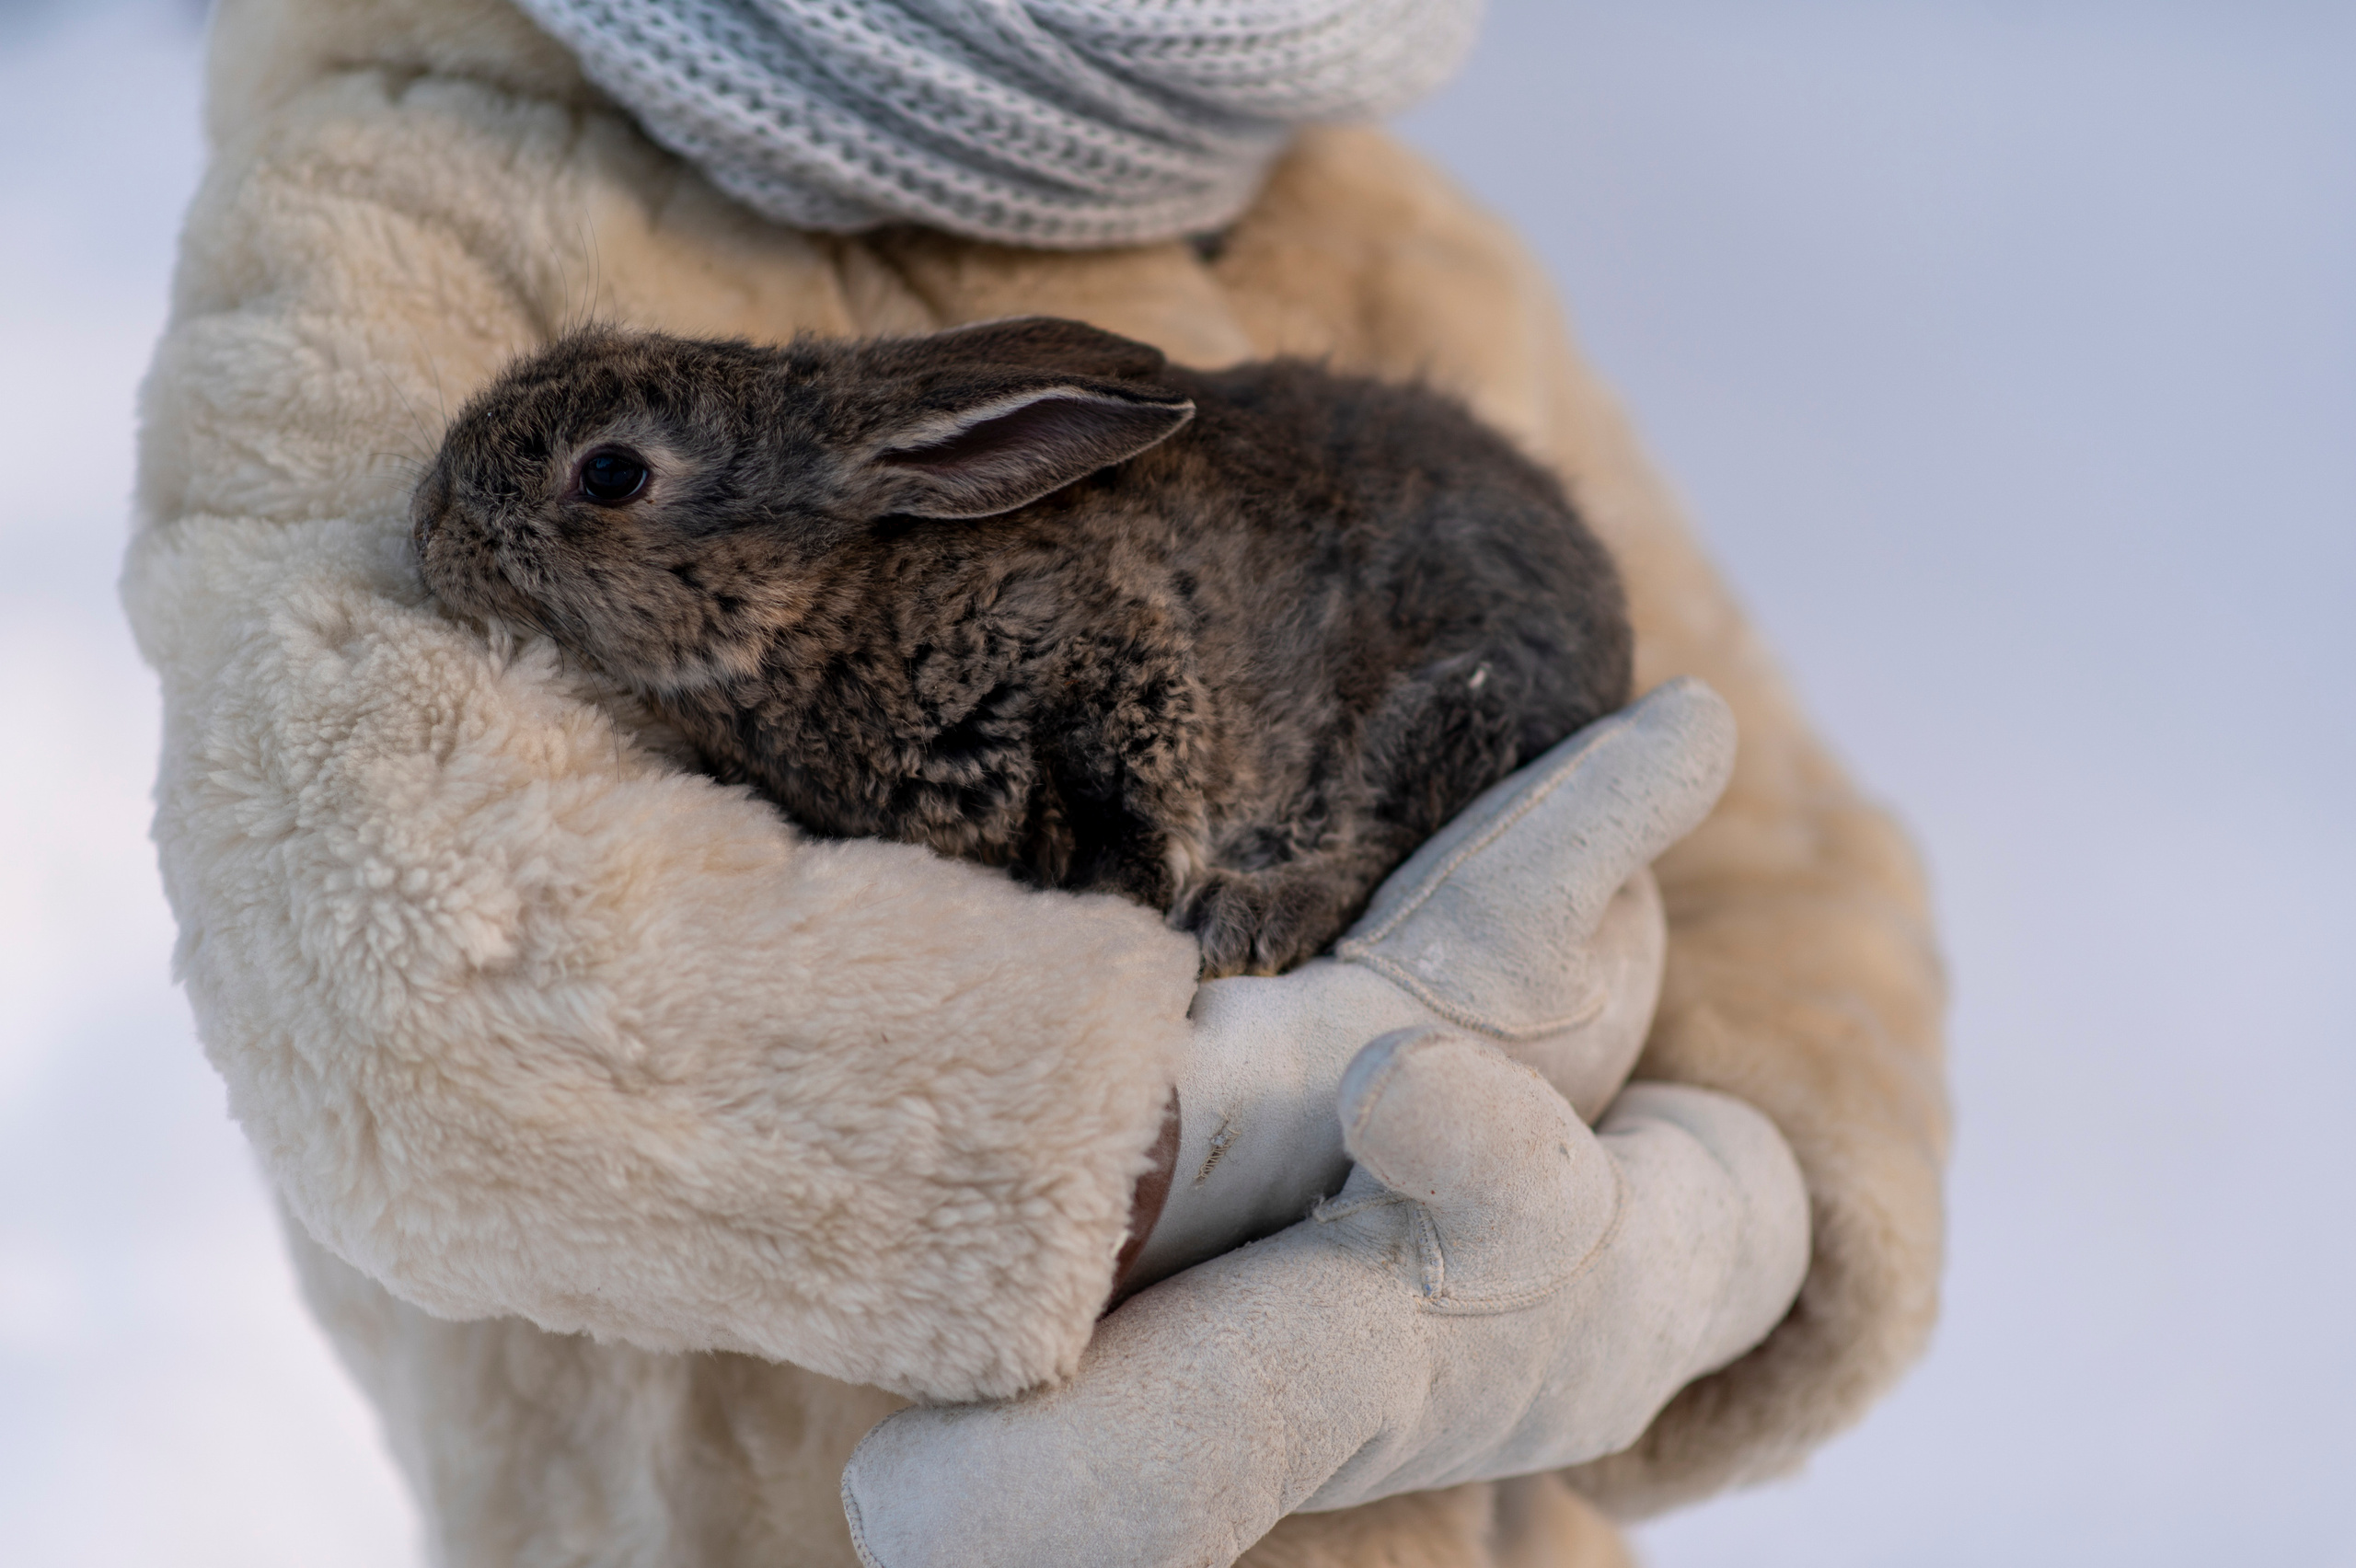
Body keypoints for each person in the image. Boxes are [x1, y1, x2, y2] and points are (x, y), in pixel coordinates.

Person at [123, 2, 1949, 1563]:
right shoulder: (422, 183)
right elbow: (397, 948)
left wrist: (1694, 1235)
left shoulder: (1339, 196)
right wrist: (1189, 1137)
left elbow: (1750, 833)